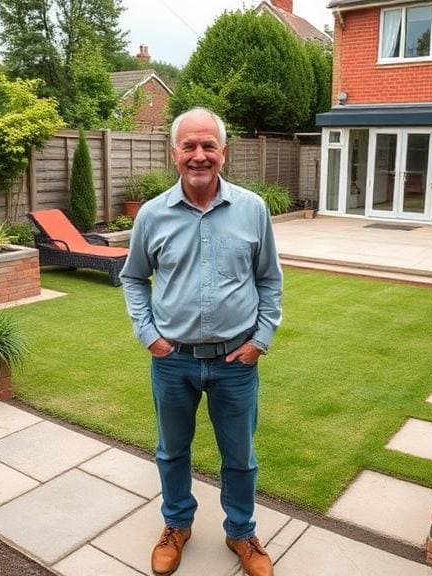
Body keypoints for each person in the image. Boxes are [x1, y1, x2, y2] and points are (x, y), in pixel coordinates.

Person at [120, 107, 283, 576]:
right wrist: (149, 336)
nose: (199, 155)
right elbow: (134, 279)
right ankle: (176, 525)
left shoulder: (252, 209)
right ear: (175, 154)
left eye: (208, 145)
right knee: (172, 450)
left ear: (223, 152)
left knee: (240, 456)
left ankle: (241, 532)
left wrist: (261, 340)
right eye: (189, 146)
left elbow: (270, 280)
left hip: (237, 361)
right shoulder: (152, 215)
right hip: (174, 361)